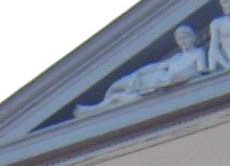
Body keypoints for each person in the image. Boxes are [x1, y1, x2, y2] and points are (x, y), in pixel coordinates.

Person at [74, 24, 210, 115]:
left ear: (193, 37)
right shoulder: (176, 58)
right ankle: (92, 110)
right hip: (154, 88)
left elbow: (200, 72)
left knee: (120, 99)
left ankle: (92, 111)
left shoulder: (198, 53)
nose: (182, 41)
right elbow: (155, 67)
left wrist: (172, 79)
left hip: (161, 90)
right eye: (179, 39)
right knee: (118, 95)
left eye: (185, 37)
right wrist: (138, 73)